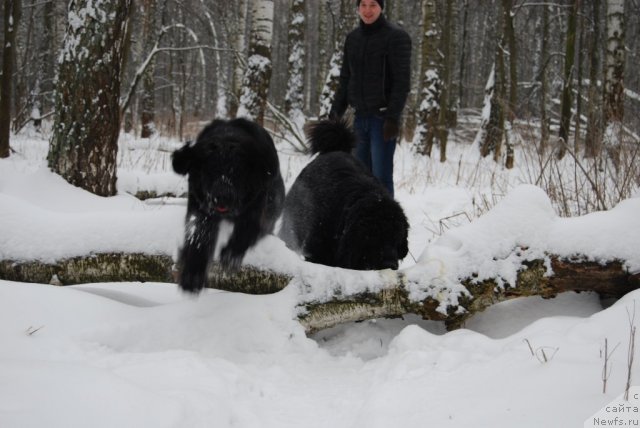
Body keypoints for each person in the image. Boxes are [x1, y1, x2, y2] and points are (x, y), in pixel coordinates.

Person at [330, 0, 412, 197]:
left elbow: (402, 82)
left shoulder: (396, 37)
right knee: (359, 177)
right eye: (363, 5)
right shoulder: (353, 38)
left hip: (382, 121)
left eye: (373, 5)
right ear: (357, 7)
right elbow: (346, 78)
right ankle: (363, 224)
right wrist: (335, 111)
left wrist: (392, 117)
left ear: (381, 7)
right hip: (360, 119)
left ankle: (386, 226)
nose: (367, 10)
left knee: (381, 177)